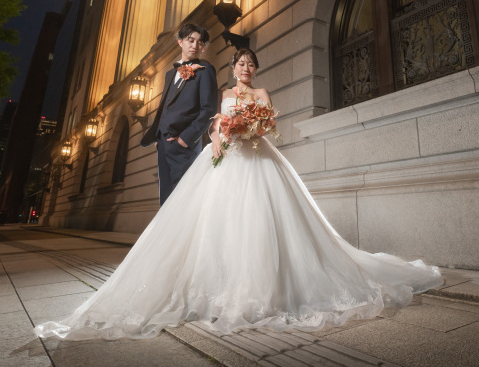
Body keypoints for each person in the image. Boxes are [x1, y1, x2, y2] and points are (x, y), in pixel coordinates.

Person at [34, 48, 443, 340]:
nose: (245, 69)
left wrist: (251, 127)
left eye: (250, 64)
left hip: (258, 158)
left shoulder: (262, 96)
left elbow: (266, 127)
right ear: (232, 69)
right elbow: (214, 124)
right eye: (241, 63)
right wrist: (216, 135)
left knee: (264, 220)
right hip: (227, 160)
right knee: (218, 222)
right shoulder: (225, 96)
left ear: (254, 70)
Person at [140, 23, 218, 206]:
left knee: (183, 198)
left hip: (184, 145)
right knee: (166, 197)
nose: (195, 45)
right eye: (190, 40)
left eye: (200, 42)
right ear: (180, 42)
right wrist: (158, 135)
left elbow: (209, 109)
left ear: (204, 47)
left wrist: (186, 138)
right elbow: (165, 105)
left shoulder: (205, 71)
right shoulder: (170, 74)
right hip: (163, 143)